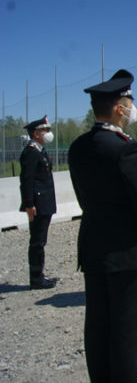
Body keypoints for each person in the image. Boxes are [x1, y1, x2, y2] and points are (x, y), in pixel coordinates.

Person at [68, 69, 137, 382]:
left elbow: (85, 198)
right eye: (130, 101)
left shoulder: (78, 147)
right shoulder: (126, 148)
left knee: (98, 329)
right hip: (129, 253)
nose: (133, 107)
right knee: (125, 334)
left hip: (94, 249)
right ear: (120, 109)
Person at [19, 115, 57, 289]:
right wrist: (29, 203)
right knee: (37, 241)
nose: (48, 133)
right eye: (45, 130)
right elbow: (27, 180)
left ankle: (39, 275)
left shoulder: (39, 150)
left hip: (44, 202)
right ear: (36, 134)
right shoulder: (31, 152)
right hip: (38, 203)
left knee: (41, 240)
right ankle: (36, 278)